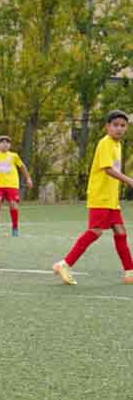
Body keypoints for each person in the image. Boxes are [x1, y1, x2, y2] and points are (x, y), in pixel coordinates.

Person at [53, 110, 133, 285]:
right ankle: (64, 264)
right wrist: (129, 181)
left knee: (121, 232)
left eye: (122, 125)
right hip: (100, 197)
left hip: (111, 199)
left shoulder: (117, 145)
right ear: (107, 127)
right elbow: (108, 169)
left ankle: (130, 272)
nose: (119, 128)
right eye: (115, 125)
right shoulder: (105, 143)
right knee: (96, 232)